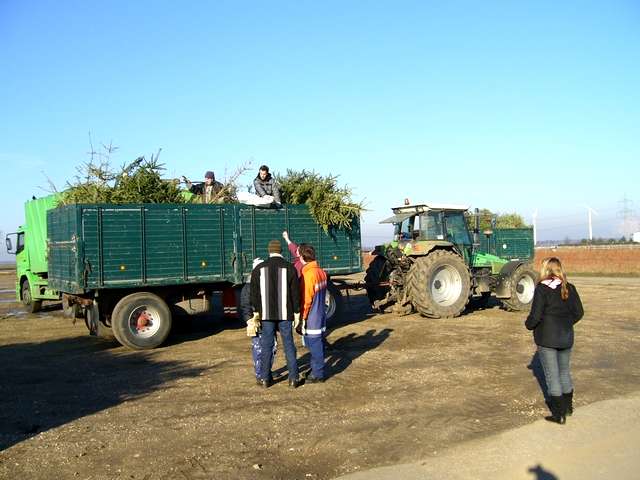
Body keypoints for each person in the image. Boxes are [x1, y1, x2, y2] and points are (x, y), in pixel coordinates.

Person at [525, 257, 584, 424]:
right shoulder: (569, 287)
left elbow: (535, 316)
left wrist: (528, 325)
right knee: (564, 372)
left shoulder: (542, 289)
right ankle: (568, 408)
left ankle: (559, 415)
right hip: (566, 337)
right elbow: (579, 312)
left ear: (545, 270)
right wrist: (566, 323)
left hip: (547, 338)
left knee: (552, 376)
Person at [250, 239, 301, 388]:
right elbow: (295, 294)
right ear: (281, 251)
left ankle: (265, 379)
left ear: (269, 251)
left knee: (266, 346)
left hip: (266, 315)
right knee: (288, 345)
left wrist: (256, 312)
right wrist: (297, 313)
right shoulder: (290, 268)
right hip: (286, 314)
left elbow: (254, 294)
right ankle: (293, 379)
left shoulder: (259, 269)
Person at [240, 258, 277, 385]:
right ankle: (261, 373)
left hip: (267, 320)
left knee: (270, 347)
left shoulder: (262, 283)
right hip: (257, 322)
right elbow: (245, 305)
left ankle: (265, 371)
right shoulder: (250, 286)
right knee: (260, 348)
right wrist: (250, 320)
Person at [298, 244, 328, 383]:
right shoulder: (321, 271)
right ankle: (317, 368)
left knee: (314, 345)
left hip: (312, 317)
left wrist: (302, 318)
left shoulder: (309, 274)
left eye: (299, 254)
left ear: (303, 256)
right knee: (318, 343)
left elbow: (306, 299)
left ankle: (318, 373)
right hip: (321, 314)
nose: (298, 257)